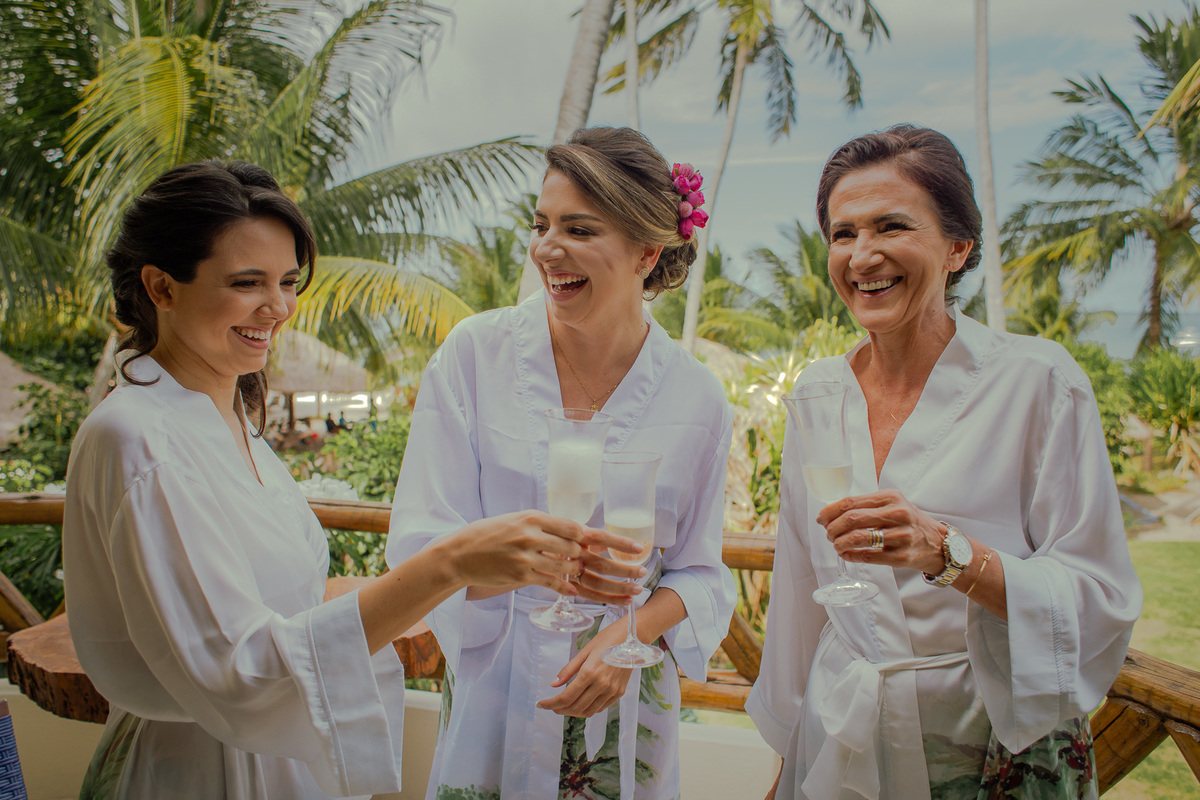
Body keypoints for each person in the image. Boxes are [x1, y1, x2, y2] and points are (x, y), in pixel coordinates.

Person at [62, 160, 643, 800]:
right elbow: (239, 669)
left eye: (288, 282)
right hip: (197, 773)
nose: (278, 307)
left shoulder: (224, 419)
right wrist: (449, 563)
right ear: (161, 287)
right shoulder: (140, 439)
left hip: (274, 762)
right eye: (247, 282)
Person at [746, 124, 1143, 800]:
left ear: (958, 247)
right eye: (843, 234)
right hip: (841, 730)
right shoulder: (817, 393)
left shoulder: (1038, 382)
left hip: (990, 737)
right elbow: (800, 593)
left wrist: (947, 553)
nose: (862, 256)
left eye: (892, 226)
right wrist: (789, 758)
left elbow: (1099, 597)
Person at [386, 126, 736, 800]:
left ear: (647, 251)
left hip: (622, 697)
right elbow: (421, 537)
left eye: (579, 229)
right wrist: (515, 565)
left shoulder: (697, 397)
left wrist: (632, 632)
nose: (547, 248)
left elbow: (700, 571)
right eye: (541, 224)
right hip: (496, 684)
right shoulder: (474, 355)